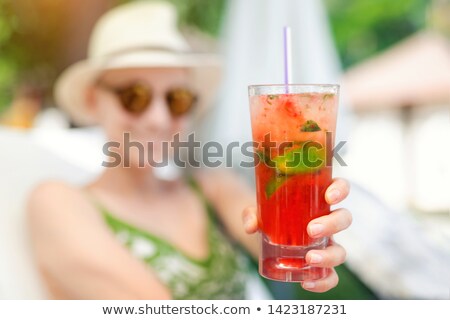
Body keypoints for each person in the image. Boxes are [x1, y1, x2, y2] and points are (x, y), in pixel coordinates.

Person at [27, 1, 352, 299]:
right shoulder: (57, 202)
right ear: (93, 101)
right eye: (134, 97)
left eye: (176, 99)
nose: (158, 118)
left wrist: (314, 245)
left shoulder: (209, 186)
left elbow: (276, 242)